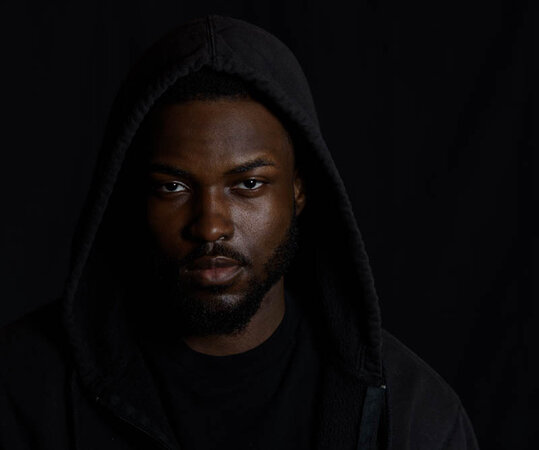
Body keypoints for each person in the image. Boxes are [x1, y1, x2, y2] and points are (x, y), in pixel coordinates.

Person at [0, 15, 479, 449]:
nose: (210, 225)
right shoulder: (22, 390)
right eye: (173, 187)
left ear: (298, 190)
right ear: (131, 196)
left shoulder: (413, 416)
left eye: (248, 184)